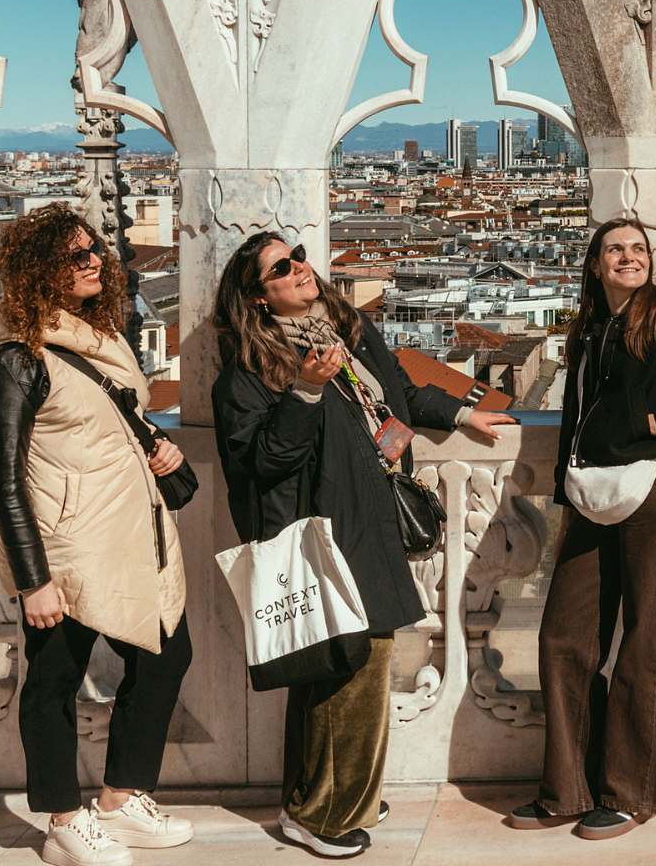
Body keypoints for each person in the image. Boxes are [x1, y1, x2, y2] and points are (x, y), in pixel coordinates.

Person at [210, 232, 512, 860]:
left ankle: (327, 796)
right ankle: (327, 814)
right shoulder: (252, 371)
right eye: (281, 268)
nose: (300, 268)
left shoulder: (344, 330)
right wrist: (306, 391)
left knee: (343, 667)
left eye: (298, 255)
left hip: (366, 520)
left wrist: (462, 414)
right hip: (322, 533)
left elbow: (397, 392)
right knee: (349, 669)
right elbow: (261, 460)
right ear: (259, 299)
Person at [0, 207, 197, 866]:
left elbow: (111, 426)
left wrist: (160, 451)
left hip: (136, 538)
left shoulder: (103, 342)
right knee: (52, 685)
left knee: (168, 656)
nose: (93, 260)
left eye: (93, 249)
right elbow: (4, 479)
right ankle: (62, 821)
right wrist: (32, 577)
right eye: (74, 256)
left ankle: (119, 798)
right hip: (64, 551)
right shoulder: (15, 360)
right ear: (39, 271)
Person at [507, 218, 656, 841]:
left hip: (653, 490)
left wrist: (651, 422)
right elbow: (579, 417)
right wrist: (564, 484)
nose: (627, 258)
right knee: (563, 637)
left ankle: (631, 794)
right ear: (595, 263)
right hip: (589, 495)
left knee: (646, 642)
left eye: (637, 249)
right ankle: (568, 788)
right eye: (615, 250)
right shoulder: (587, 329)